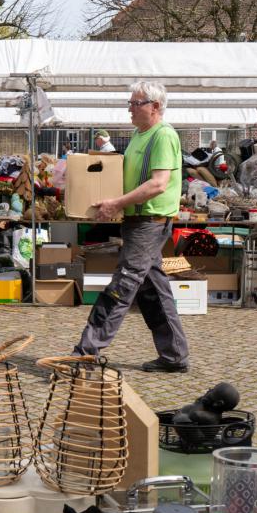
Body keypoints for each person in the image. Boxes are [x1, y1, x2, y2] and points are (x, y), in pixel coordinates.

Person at [72, 81, 189, 373]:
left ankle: (85, 354)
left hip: (149, 222)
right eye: (130, 103)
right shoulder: (140, 135)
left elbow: (158, 184)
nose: (130, 109)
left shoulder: (163, 136)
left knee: (121, 286)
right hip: (138, 222)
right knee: (152, 291)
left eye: (135, 103)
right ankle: (174, 356)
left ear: (155, 106)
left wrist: (117, 203)